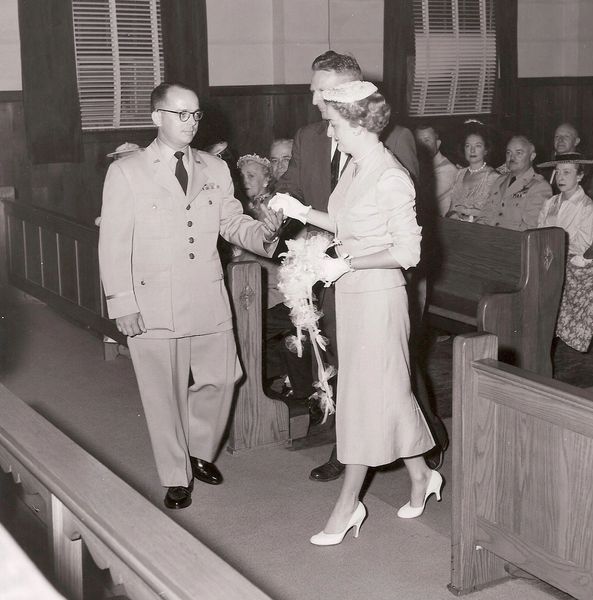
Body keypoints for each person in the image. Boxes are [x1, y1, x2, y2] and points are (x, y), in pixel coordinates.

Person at [98, 82, 282, 510]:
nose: (190, 123)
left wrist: (266, 231)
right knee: (162, 394)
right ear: (155, 117)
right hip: (152, 302)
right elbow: (113, 243)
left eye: (195, 114)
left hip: (206, 295)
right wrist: (122, 303)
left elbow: (233, 224)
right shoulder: (127, 171)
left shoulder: (215, 168)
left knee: (224, 377)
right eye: (180, 114)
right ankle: (176, 475)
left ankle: (198, 449)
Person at [270, 81, 439, 545]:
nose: (330, 133)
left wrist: (349, 261)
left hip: (380, 297)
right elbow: (344, 223)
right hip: (352, 293)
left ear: (361, 124)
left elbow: (408, 252)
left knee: (365, 399)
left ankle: (348, 505)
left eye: (335, 124)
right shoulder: (355, 166)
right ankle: (422, 475)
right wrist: (300, 209)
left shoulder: (390, 176)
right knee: (386, 391)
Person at [234, 154, 315, 410]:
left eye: (252, 176)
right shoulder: (239, 207)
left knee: (245, 329)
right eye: (242, 176)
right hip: (250, 288)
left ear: (268, 179)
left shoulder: (277, 208)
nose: (245, 181)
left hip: (280, 292)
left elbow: (288, 250)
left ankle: (258, 391)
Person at [536, 153, 593, 352]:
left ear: (580, 176)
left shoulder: (587, 207)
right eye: (558, 172)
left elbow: (584, 244)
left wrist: (557, 242)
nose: (561, 177)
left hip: (570, 262)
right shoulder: (551, 202)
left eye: (567, 172)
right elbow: (539, 229)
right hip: (546, 258)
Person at [478, 135, 552, 230]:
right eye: (508, 152)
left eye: (519, 153)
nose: (512, 157)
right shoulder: (500, 180)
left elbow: (530, 228)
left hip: (513, 242)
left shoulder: (540, 187)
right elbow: (485, 214)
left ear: (532, 156)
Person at [445, 122, 500, 221]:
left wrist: (470, 219)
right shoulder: (459, 174)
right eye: (468, 146)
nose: (472, 150)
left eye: (478, 146)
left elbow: (495, 214)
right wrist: (452, 215)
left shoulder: (493, 177)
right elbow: (451, 209)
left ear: (486, 150)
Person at [546, 123, 593, 207]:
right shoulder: (545, 169)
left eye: (566, 136)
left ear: (576, 141)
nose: (560, 140)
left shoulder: (589, 171)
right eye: (557, 136)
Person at [414, 124, 458, 217]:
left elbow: (421, 201)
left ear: (438, 144)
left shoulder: (447, 169)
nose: (422, 146)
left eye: (427, 140)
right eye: (419, 141)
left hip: (443, 226)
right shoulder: (419, 165)